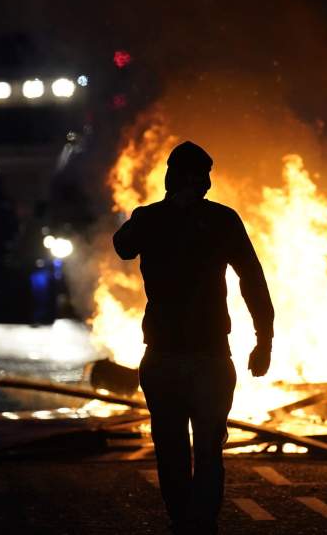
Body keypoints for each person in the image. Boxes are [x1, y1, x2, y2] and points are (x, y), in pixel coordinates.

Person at [113, 141, 274, 534]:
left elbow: (122, 244)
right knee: (205, 449)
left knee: (173, 448)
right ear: (205, 182)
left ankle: (185, 520)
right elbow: (252, 279)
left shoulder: (153, 219)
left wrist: (158, 213)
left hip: (170, 358)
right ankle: (198, 522)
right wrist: (263, 338)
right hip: (207, 358)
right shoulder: (221, 220)